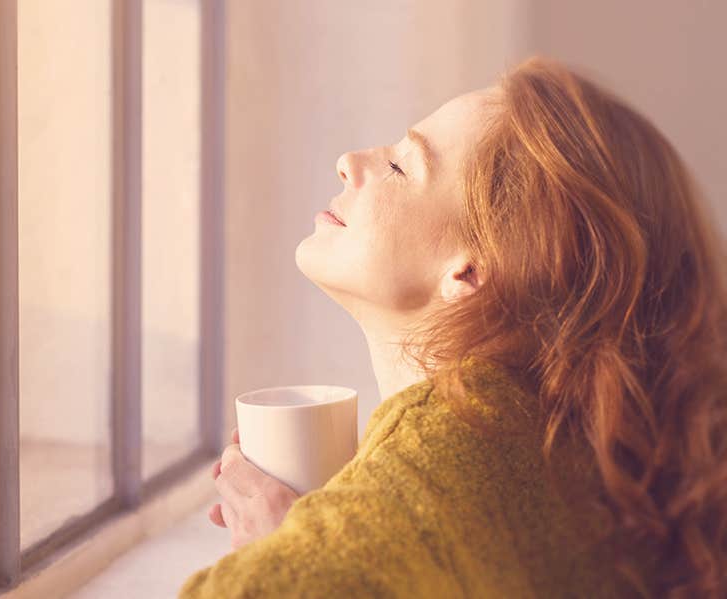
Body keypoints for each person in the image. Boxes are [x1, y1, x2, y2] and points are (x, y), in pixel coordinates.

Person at [179, 56, 727, 598]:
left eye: (400, 167)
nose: (349, 162)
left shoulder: (437, 461)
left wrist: (292, 555)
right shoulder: (564, 435)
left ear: (469, 270)